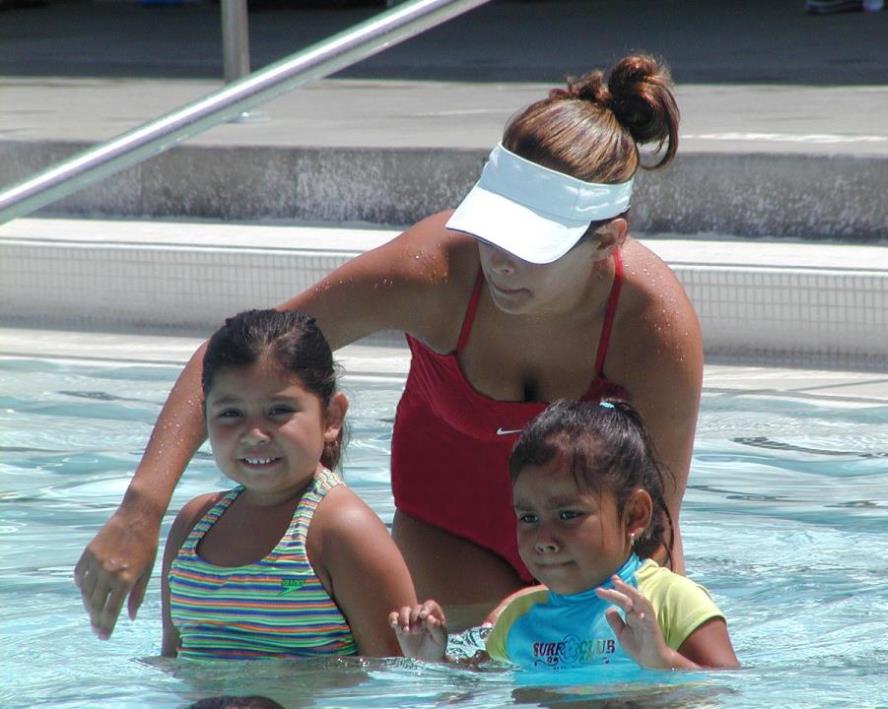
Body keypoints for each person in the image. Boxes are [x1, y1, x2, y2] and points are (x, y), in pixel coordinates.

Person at [75, 53, 703, 637]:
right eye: (492, 232)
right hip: (446, 537)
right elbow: (233, 354)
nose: (501, 262)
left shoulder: (651, 325)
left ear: (608, 240)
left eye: (531, 245)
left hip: (591, 548)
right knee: (456, 683)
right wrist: (140, 511)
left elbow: (655, 525)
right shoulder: (432, 273)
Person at [390, 399, 738, 671]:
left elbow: (728, 692)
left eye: (568, 515)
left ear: (634, 514)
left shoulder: (671, 602)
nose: (544, 539)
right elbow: (482, 690)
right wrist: (434, 660)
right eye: (529, 518)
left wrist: (662, 662)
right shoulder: (518, 621)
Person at [160, 309, 415, 659]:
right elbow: (171, 661)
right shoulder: (193, 526)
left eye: (279, 410)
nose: (254, 434)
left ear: (331, 417)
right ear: (206, 418)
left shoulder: (342, 530)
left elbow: (394, 674)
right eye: (230, 413)